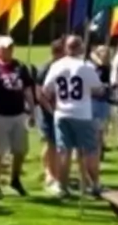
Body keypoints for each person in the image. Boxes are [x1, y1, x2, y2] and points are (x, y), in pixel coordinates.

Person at [45, 36, 106, 197]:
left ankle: (61, 186)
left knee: (64, 151)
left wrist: (55, 105)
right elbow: (99, 89)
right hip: (82, 114)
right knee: (89, 151)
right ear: (80, 48)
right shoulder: (86, 66)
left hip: (62, 113)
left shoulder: (57, 65)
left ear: (66, 48)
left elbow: (46, 90)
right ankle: (95, 184)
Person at [0, 36, 35, 199]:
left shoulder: (20, 67)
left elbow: (27, 90)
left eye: (10, 48)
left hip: (18, 114)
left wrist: (31, 110)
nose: (7, 51)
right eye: (4, 48)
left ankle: (15, 179)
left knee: (21, 150)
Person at [36, 39, 66, 196]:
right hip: (47, 112)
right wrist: (51, 111)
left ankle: (57, 173)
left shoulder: (63, 67)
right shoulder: (46, 68)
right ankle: (49, 173)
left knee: (58, 144)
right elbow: (39, 94)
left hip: (61, 111)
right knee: (50, 144)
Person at [89, 45, 113, 153]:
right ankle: (95, 147)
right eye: (102, 52)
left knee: (101, 126)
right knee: (94, 126)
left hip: (104, 100)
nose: (105, 54)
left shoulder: (108, 67)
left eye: (106, 52)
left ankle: (100, 146)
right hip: (94, 100)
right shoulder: (92, 67)